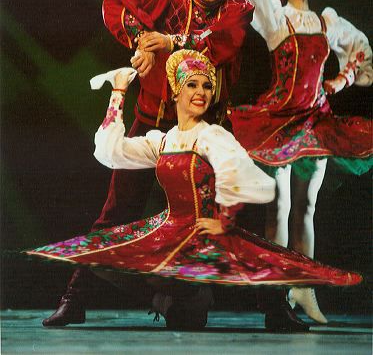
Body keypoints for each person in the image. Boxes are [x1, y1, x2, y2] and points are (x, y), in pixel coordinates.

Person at [28, 50, 362, 332]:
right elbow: (111, 151)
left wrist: (224, 221)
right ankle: (163, 301)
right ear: (175, 91)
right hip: (168, 233)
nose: (200, 92)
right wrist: (118, 91)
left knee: (195, 314)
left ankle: (273, 310)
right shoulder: (164, 139)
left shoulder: (214, 136)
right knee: (101, 255)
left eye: (206, 85)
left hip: (205, 238)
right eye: (192, 85)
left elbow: (252, 181)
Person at [42, 0, 255, 327]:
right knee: (117, 211)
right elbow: (115, 1)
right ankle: (76, 295)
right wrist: (142, 40)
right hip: (152, 121)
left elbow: (221, 40)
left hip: (204, 133)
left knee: (235, 217)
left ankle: (272, 307)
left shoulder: (238, 7)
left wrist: (169, 41)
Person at [212, 0, 372, 324]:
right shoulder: (276, 17)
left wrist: (345, 78)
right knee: (279, 206)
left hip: (315, 122)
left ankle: (304, 290)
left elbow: (359, 49)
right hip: (279, 121)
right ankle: (276, 292)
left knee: (307, 207)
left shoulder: (325, 20)